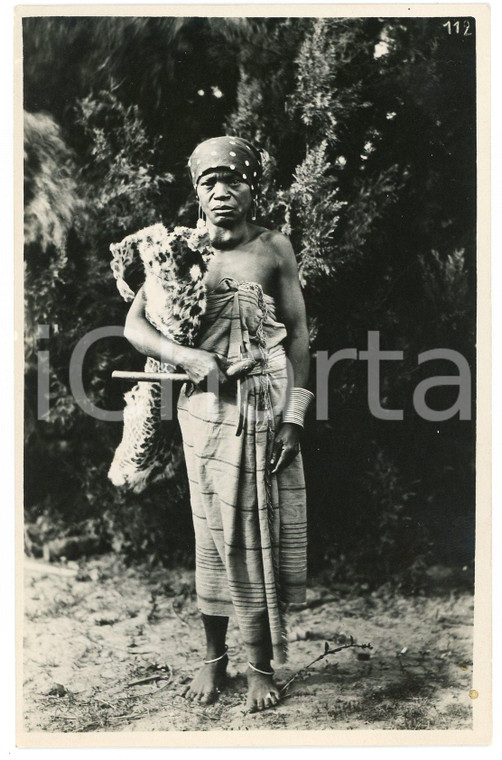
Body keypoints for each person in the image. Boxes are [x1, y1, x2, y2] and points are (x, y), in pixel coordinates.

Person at [124, 136, 313, 712]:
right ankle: (214, 660)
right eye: (209, 183)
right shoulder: (179, 249)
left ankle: (259, 666)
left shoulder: (273, 248)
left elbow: (301, 334)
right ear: (196, 193)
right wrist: (189, 358)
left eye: (233, 180)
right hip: (203, 409)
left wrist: (293, 418)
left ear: (255, 190)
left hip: (264, 402)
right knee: (212, 529)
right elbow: (135, 326)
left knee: (259, 529)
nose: (221, 192)